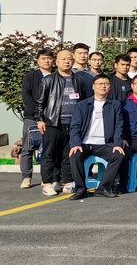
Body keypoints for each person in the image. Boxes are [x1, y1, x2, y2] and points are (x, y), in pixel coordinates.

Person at [35, 50, 88, 196]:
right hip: (53, 122)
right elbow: (40, 102)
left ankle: (67, 182)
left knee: (68, 153)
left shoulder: (79, 80)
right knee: (49, 154)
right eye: (63, 59)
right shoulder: (48, 80)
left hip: (73, 123)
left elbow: (83, 102)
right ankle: (47, 183)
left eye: (69, 59)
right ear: (57, 62)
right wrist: (40, 120)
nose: (67, 61)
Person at [67, 74, 125, 200]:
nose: (103, 86)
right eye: (100, 84)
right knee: (74, 154)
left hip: (105, 144)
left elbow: (119, 126)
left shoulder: (115, 105)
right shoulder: (82, 105)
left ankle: (103, 188)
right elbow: (75, 127)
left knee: (118, 154)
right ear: (93, 86)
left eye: (106, 84)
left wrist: (117, 144)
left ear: (110, 87)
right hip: (85, 143)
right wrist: (76, 144)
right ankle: (80, 189)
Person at [19, 48, 53, 189]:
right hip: (32, 117)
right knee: (28, 147)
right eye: (43, 58)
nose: (46, 61)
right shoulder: (30, 76)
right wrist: (38, 115)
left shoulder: (56, 76)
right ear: (38, 61)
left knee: (49, 148)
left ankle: (49, 177)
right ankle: (26, 177)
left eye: (49, 58)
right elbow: (26, 95)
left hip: (51, 118)